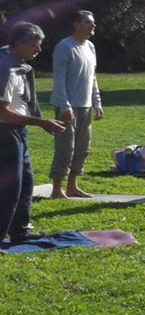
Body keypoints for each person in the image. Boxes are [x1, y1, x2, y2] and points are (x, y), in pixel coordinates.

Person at [1, 23, 67, 244]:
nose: (38, 50)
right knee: (9, 188)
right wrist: (41, 122)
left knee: (26, 182)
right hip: (5, 132)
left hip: (19, 131)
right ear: (18, 44)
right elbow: (3, 113)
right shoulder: (5, 69)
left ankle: (20, 231)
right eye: (34, 45)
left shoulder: (19, 64)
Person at [49, 10, 103, 198]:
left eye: (93, 23)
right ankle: (57, 189)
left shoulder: (90, 47)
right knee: (65, 148)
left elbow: (92, 78)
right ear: (76, 24)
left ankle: (72, 186)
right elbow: (59, 79)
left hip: (85, 106)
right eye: (88, 22)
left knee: (82, 148)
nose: (92, 26)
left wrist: (97, 103)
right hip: (67, 107)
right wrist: (65, 106)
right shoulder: (65, 46)